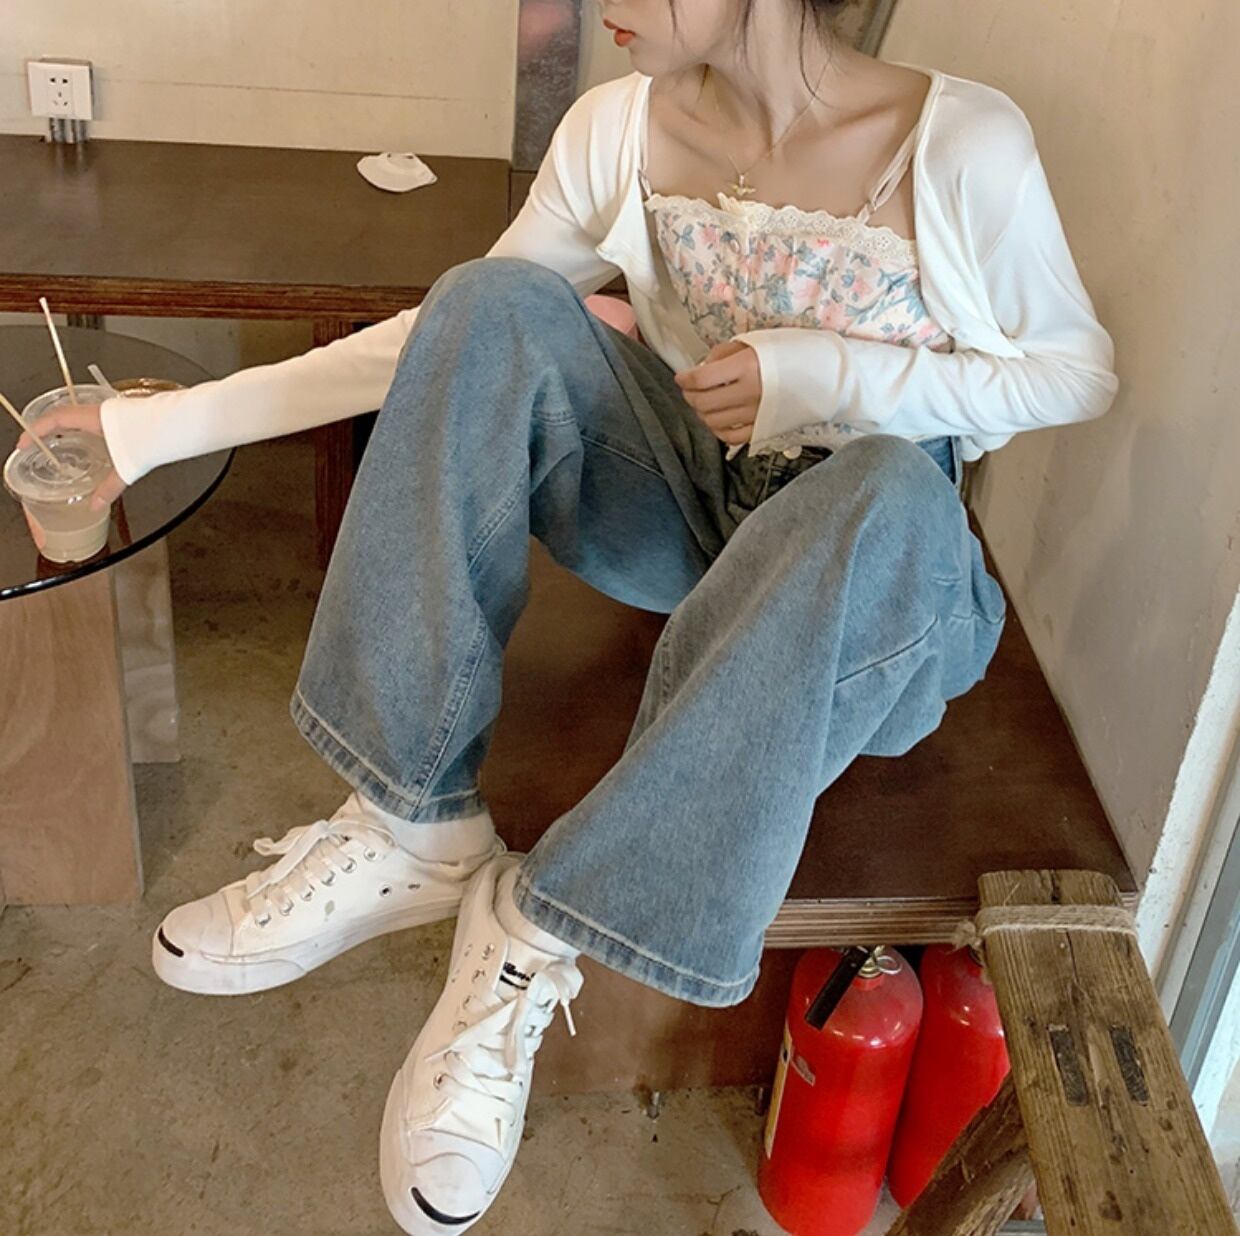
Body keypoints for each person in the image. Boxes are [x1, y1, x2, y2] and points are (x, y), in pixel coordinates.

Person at [27, 1, 1118, 1230]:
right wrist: (147, 430)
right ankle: (407, 817)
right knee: (487, 301)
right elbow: (441, 344)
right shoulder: (617, 127)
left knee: (875, 486)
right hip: (699, 519)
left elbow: (1074, 373)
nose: (597, 7)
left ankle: (537, 928)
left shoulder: (958, 142)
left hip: (874, 589)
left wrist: (828, 376)